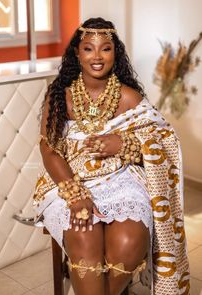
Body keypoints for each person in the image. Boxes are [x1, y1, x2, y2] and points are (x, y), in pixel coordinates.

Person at [33, 17, 190, 295]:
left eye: (105, 48)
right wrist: (75, 194)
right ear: (76, 53)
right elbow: (49, 149)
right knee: (84, 234)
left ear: (115, 53)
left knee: (130, 240)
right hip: (70, 182)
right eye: (88, 48)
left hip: (121, 180)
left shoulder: (129, 98)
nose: (97, 56)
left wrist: (124, 144)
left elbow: (166, 143)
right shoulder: (60, 96)